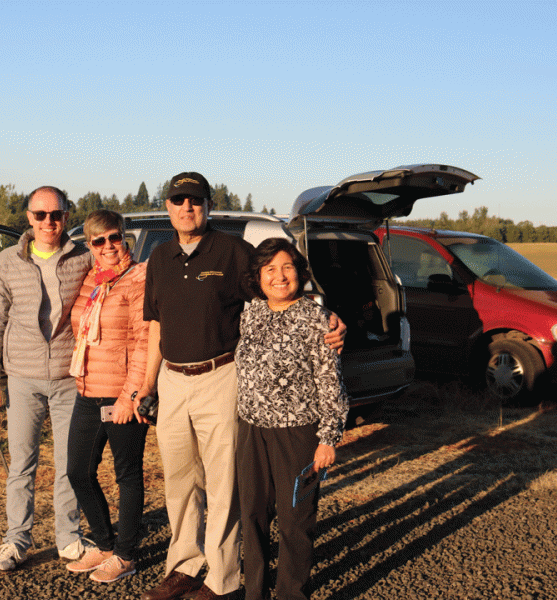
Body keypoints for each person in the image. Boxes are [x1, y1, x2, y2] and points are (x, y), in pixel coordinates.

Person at [137, 172, 345, 600]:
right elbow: (156, 325)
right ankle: (185, 564)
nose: (187, 207)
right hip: (172, 380)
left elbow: (279, 281)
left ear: (208, 205)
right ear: (169, 206)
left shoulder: (233, 251)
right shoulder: (158, 257)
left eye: (195, 199)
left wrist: (331, 318)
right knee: (178, 482)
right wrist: (146, 384)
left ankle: (222, 578)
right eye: (178, 199)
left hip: (219, 377)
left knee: (224, 485)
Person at [0, 186, 92, 572]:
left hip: (68, 376)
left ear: (66, 216)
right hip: (23, 377)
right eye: (41, 215)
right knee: (22, 465)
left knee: (68, 464)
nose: (49, 222)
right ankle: (16, 541)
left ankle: (69, 539)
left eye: (56, 215)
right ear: (28, 217)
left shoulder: (84, 258)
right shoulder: (7, 261)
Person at [235, 238, 350, 600]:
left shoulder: (317, 318)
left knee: (295, 520)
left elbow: (331, 381)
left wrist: (329, 437)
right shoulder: (250, 312)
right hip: (252, 430)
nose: (279, 276)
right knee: (252, 516)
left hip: (298, 433)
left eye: (287, 267)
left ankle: (291, 594)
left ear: (300, 272)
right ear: (258, 276)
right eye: (270, 269)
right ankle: (254, 591)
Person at [65, 210, 150, 583]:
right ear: (90, 245)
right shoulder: (89, 279)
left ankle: (126, 554)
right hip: (87, 390)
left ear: (124, 237)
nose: (108, 247)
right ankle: (102, 542)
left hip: (120, 394)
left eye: (114, 238)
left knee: (127, 474)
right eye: (99, 241)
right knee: (78, 471)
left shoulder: (139, 277)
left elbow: (144, 340)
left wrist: (129, 396)